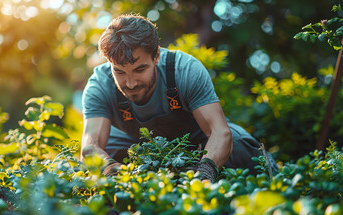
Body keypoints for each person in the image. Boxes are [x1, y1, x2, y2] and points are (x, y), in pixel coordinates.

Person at [81, 14, 278, 181]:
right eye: (120, 72)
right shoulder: (99, 84)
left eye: (140, 69)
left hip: (196, 136)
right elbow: (90, 147)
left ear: (156, 56)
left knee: (240, 145)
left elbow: (220, 132)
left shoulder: (184, 70)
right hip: (132, 142)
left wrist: (205, 173)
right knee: (91, 166)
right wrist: (111, 171)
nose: (130, 83)